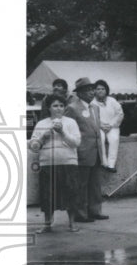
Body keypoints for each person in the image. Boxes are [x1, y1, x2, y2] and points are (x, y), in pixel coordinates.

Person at [29, 93, 81, 233]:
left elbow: (76, 142)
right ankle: (47, 224)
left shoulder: (70, 122)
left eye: (61, 105)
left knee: (71, 193)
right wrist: (42, 137)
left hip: (68, 162)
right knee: (47, 195)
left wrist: (62, 132)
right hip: (47, 164)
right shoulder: (41, 123)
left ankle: (72, 224)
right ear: (49, 107)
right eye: (55, 106)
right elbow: (33, 146)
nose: (58, 108)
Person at [66, 77, 107, 222]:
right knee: (81, 185)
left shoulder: (95, 107)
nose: (92, 92)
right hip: (81, 151)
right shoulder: (72, 108)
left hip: (95, 151)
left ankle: (95, 210)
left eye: (92, 89)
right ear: (80, 93)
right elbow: (68, 129)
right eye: (88, 90)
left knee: (95, 184)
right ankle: (80, 213)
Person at [92, 79, 124, 172]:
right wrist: (101, 125)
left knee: (114, 139)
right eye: (98, 89)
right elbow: (92, 116)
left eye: (102, 88)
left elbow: (120, 114)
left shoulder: (112, 100)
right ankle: (103, 163)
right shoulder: (92, 102)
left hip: (112, 126)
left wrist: (111, 125)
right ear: (94, 91)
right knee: (100, 138)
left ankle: (111, 165)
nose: (100, 91)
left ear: (106, 90)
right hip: (98, 126)